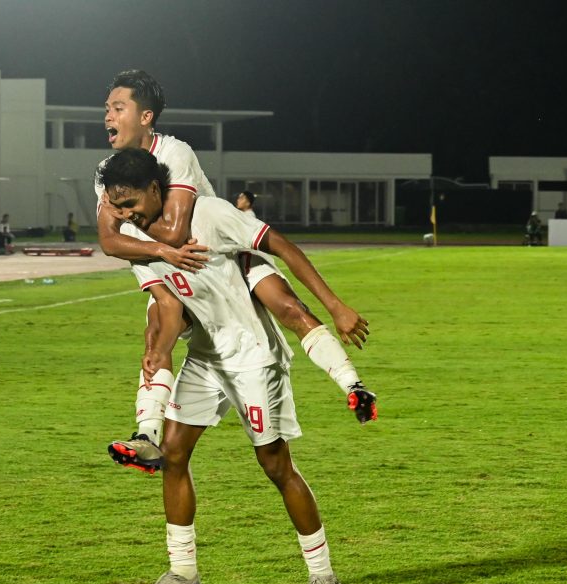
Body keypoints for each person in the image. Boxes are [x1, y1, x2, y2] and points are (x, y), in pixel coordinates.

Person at [99, 148, 374, 584]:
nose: (125, 216)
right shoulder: (137, 237)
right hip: (206, 358)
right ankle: (183, 572)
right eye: (117, 208)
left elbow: (280, 246)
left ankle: (323, 575)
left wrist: (335, 305)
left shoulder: (209, 215)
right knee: (172, 455)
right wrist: (159, 352)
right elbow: (168, 307)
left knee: (275, 466)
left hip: (252, 357)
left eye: (130, 205)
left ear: (154, 188)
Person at [96, 70, 374, 472]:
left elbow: (176, 232)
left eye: (118, 108)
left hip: (219, 253)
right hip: (168, 265)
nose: (107, 116)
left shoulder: (173, 153)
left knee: (288, 308)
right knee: (156, 334)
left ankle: (353, 385)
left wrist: (336, 305)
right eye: (106, 108)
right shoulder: (107, 172)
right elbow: (110, 241)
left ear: (146, 117)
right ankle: (146, 435)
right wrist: (155, 248)